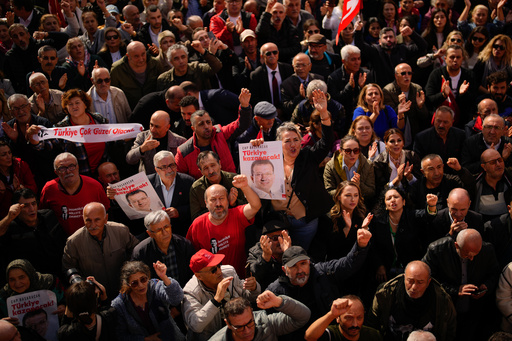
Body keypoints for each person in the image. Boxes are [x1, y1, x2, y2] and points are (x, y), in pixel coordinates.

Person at [255, 91, 333, 251]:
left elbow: (326, 143)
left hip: (305, 223)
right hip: (277, 222)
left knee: (299, 254)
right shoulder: (268, 159)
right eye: (287, 141)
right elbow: (250, 173)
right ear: (278, 143)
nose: (293, 144)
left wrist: (323, 112)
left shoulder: (308, 156)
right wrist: (255, 149)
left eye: (296, 140)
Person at [267, 228, 371, 340]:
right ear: (284, 270)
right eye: (294, 266)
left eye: (303, 264)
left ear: (308, 263)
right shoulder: (275, 291)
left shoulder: (322, 272)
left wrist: (361, 245)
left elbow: (348, 264)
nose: (300, 270)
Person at [423, 229, 500, 341]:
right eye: (467, 254)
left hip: (474, 312)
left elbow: (494, 273)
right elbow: (428, 280)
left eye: (475, 254)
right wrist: (455, 290)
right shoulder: (437, 250)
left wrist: (486, 286)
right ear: (456, 246)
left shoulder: (487, 249)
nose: (472, 258)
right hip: (445, 311)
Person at [187, 174, 261, 276]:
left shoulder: (237, 215)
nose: (218, 203)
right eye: (213, 200)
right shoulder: (197, 225)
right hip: (213, 282)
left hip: (239, 279)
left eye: (222, 198)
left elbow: (255, 206)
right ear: (206, 203)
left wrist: (244, 186)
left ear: (227, 200)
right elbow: (192, 255)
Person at [62, 202, 139, 299]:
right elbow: (68, 267)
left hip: (125, 292)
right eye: (88, 220)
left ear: (106, 218)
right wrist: (81, 285)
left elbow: (137, 252)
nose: (93, 225)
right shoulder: (73, 242)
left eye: (97, 220)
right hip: (95, 296)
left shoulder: (121, 231)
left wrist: (131, 273)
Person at [182, 249, 261, 341]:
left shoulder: (229, 272)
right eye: (213, 270)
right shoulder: (190, 292)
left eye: (219, 265)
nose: (219, 271)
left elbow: (249, 297)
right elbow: (196, 326)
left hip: (238, 333)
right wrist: (215, 301)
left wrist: (254, 288)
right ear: (199, 276)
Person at [366, 261, 456, 341]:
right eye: (410, 281)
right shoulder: (386, 294)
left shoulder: (442, 300)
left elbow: (449, 330)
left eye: (420, 282)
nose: (414, 287)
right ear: (404, 278)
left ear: (428, 282)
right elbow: (372, 324)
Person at [175, 88, 252, 179]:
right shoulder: (184, 151)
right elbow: (178, 178)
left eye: (208, 122)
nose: (207, 126)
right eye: (201, 124)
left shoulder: (221, 133)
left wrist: (244, 106)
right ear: (193, 128)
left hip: (231, 187)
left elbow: (241, 124)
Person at [32, 89, 110, 176]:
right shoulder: (62, 127)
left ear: (85, 104)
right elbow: (48, 146)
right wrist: (34, 139)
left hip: (104, 174)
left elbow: (112, 139)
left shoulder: (98, 119)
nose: (74, 106)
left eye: (77, 103)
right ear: (66, 108)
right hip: (81, 177)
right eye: (70, 104)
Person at [370, 188, 437, 285]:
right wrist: (379, 266)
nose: (393, 200)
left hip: (409, 267)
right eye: (389, 198)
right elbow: (374, 247)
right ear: (385, 205)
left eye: (396, 197)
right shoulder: (378, 222)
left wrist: (431, 205)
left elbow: (428, 215)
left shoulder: (412, 216)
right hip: (386, 269)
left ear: (404, 201)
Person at [0, 188, 66, 282]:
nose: (31, 209)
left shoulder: (49, 216)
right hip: (30, 282)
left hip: (57, 276)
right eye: (25, 206)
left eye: (33, 203)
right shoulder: (11, 227)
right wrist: (8, 217)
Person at [39, 152, 110, 236]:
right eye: (62, 168)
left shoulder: (95, 186)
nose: (68, 171)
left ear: (78, 167)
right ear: (56, 172)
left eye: (71, 166)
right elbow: (43, 215)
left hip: (93, 237)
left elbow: (106, 212)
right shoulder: (49, 189)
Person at [111, 261, 185, 340]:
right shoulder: (120, 304)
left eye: (143, 279)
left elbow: (177, 299)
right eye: (134, 283)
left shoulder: (155, 287)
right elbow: (121, 336)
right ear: (128, 284)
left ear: (148, 277)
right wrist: (145, 339)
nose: (141, 285)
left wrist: (164, 277)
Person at [209, 291, 311, 341]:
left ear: (253, 315)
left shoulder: (266, 323)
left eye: (250, 323)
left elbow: (303, 317)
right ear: (228, 324)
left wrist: (279, 302)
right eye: (239, 327)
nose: (247, 331)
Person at [354, 21, 427, 87]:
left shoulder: (402, 49)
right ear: (379, 41)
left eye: (391, 37)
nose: (389, 39)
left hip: (400, 89)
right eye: (385, 37)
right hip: (381, 91)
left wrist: (412, 34)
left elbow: (423, 46)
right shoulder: (375, 50)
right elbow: (360, 46)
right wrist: (358, 32)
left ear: (395, 39)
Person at [131, 210, 194, 287]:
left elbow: (193, 275)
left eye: (166, 227)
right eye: (158, 230)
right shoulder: (141, 252)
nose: (165, 233)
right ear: (150, 233)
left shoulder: (184, 245)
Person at [425, 44, 476, 127]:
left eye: (458, 57)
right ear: (445, 59)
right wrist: (443, 95)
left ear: (462, 59)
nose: (455, 60)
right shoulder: (436, 74)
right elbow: (429, 99)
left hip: (462, 121)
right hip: (440, 119)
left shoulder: (469, 75)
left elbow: (472, 101)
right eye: (452, 57)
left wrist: (463, 94)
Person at [0, 259, 65, 323]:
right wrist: (3, 323)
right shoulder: (4, 295)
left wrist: (63, 307)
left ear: (30, 275)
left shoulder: (49, 283)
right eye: (12, 279)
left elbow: (68, 299)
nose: (17, 283)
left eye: (21, 277)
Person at [189, 151, 247, 220]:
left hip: (235, 221)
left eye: (213, 165)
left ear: (219, 164)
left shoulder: (235, 181)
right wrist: (223, 205)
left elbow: (249, 207)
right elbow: (196, 218)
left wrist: (234, 203)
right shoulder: (196, 189)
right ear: (201, 172)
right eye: (205, 168)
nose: (211, 171)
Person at [148, 151, 194, 236]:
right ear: (157, 170)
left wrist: (179, 212)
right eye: (164, 167)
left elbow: (195, 207)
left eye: (172, 165)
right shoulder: (148, 183)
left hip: (182, 232)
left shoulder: (188, 182)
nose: (169, 170)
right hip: (157, 234)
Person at [383, 63, 429, 148]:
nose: (406, 76)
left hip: (414, 134)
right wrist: (400, 106)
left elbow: (425, 116)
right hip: (396, 136)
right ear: (396, 76)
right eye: (403, 73)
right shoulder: (388, 91)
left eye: (409, 73)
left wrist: (420, 106)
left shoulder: (417, 89)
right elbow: (389, 117)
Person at [126, 110, 187, 174]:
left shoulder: (179, 142)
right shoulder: (142, 137)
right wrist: (141, 149)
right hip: (149, 179)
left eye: (157, 127)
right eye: (151, 125)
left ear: (167, 127)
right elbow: (129, 159)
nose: (152, 129)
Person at [110, 41, 164, 109]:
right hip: (130, 110)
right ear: (128, 56)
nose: (141, 59)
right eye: (136, 56)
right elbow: (114, 93)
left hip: (153, 107)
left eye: (143, 54)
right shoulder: (117, 69)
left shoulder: (155, 64)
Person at [410, 155, 475, 210]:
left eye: (439, 167)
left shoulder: (451, 181)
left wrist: (460, 170)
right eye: (431, 169)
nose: (437, 173)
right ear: (423, 172)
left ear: (443, 167)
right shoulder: (416, 188)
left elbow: (470, 184)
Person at [304, 295, 382, 341]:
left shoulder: (374, 335)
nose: (355, 324)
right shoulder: (331, 334)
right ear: (338, 318)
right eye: (349, 318)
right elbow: (309, 337)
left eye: (359, 318)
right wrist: (331, 314)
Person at [324, 135, 375, 202]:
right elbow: (328, 192)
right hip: (339, 205)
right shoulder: (330, 166)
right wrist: (346, 189)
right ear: (341, 151)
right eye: (348, 151)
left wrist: (359, 185)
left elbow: (371, 193)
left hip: (361, 205)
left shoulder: (368, 165)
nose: (352, 154)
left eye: (356, 150)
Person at [156, 43, 222, 91]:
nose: (181, 61)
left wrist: (203, 51)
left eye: (183, 57)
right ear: (171, 62)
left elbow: (217, 66)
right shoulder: (163, 80)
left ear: (187, 57)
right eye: (176, 58)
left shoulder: (197, 68)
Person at [249, 42, 294, 111]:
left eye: (275, 52)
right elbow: (255, 99)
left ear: (278, 54)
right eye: (268, 54)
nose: (272, 55)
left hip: (287, 110)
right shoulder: (256, 74)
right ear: (262, 56)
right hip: (267, 112)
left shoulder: (288, 69)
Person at [328, 45, 370, 118]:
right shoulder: (333, 77)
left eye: (359, 59)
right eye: (353, 59)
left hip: (363, 114)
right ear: (343, 61)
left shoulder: (366, 74)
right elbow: (336, 102)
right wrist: (349, 87)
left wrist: (361, 88)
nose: (357, 62)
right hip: (342, 117)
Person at [280, 53, 323, 120]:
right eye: (297, 66)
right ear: (293, 67)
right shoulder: (286, 84)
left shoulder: (319, 79)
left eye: (304, 65)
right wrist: (299, 97)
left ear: (310, 66)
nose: (301, 68)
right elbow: (286, 108)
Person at [0, 141, 37, 218]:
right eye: (4, 155)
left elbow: (34, 189)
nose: (8, 156)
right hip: (5, 216)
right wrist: (1, 193)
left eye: (9, 153)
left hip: (25, 212)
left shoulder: (21, 165)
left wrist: (21, 188)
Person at [474, 148, 512, 221]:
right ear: (484, 167)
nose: (498, 164)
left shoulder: (509, 178)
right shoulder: (476, 183)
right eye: (493, 162)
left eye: (500, 160)